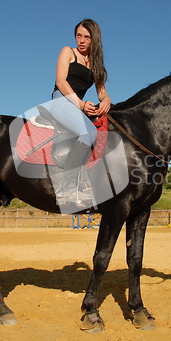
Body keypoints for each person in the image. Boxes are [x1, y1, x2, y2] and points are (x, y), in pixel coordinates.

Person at [49, 19, 111, 205]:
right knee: (89, 132)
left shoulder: (96, 64)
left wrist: (106, 101)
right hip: (61, 100)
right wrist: (81, 104)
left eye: (86, 37)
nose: (81, 40)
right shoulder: (68, 52)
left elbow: (102, 93)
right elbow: (61, 81)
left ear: (94, 40)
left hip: (77, 106)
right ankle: (66, 190)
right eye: (79, 35)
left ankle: (88, 185)